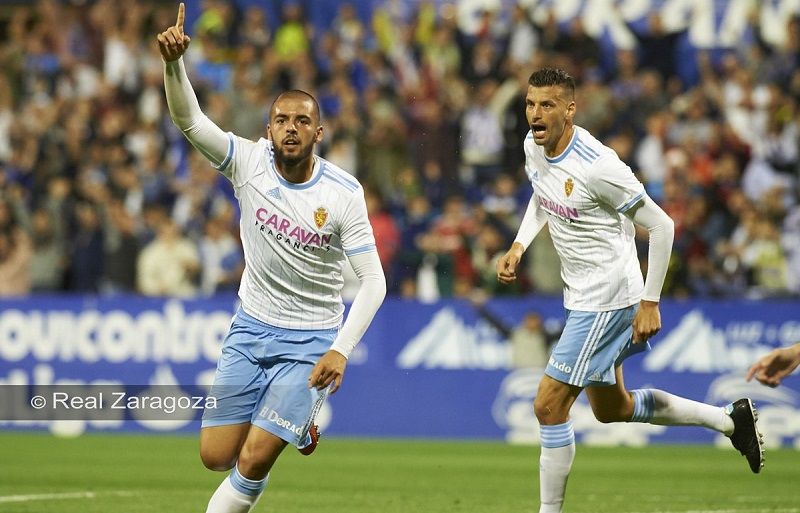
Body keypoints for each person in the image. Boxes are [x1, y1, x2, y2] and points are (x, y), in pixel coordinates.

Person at [496, 68, 763, 513]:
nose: (535, 114)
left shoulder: (600, 167)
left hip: (608, 296)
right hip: (581, 294)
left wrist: (650, 301)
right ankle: (731, 421)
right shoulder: (534, 146)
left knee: (547, 406)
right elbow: (542, 195)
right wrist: (519, 244)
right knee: (612, 409)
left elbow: (662, 225)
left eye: (546, 105)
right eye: (529, 104)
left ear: (570, 109)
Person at [157, 5, 386, 513]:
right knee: (215, 456)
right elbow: (188, 120)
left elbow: (374, 282)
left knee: (255, 459)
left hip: (312, 338)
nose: (290, 128)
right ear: (268, 128)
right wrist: (174, 65)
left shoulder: (345, 193)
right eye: (281, 119)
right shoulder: (248, 162)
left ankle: (291, 411)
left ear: (318, 134)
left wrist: (341, 349)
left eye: (302, 121)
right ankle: (294, 417)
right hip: (250, 327)